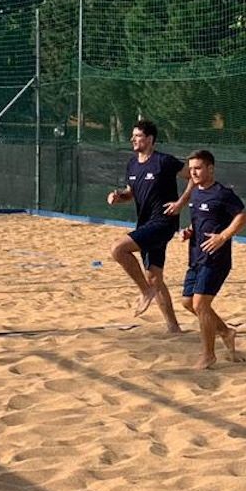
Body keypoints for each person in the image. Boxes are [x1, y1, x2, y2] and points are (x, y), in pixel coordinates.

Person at [165, 150, 246, 369]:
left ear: (210, 169)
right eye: (191, 168)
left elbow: (243, 216)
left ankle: (208, 355)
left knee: (200, 303)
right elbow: (201, 221)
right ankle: (225, 331)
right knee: (187, 302)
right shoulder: (195, 193)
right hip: (195, 256)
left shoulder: (222, 193)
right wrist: (189, 231)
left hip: (216, 258)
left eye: (198, 168)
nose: (193, 172)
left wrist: (223, 236)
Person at [104, 118, 185, 332]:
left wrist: (181, 203)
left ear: (149, 139)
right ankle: (174, 327)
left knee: (117, 248)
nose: (133, 139)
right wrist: (118, 197)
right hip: (145, 223)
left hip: (164, 222)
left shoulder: (164, 161)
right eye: (133, 136)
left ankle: (144, 291)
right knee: (154, 277)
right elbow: (131, 193)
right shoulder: (132, 164)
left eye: (138, 136)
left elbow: (193, 176)